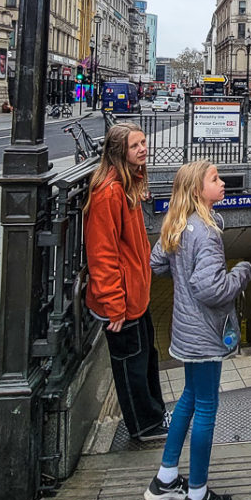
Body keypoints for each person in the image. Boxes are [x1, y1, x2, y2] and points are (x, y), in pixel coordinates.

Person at [145, 160, 251, 500]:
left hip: (184, 332)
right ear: (197, 191)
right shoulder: (205, 233)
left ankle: (165, 479)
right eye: (215, 179)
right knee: (205, 407)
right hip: (205, 335)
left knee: (188, 399)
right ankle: (197, 499)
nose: (222, 183)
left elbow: (157, 263)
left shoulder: (179, 224)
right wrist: (242, 272)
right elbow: (211, 288)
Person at [84, 122, 167, 442]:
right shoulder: (108, 191)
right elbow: (102, 254)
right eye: (135, 146)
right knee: (131, 367)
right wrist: (113, 305)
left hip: (136, 295)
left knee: (146, 358)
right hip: (121, 301)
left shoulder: (127, 182)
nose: (143, 149)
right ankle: (144, 426)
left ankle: (156, 415)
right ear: (120, 152)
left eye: (144, 142)